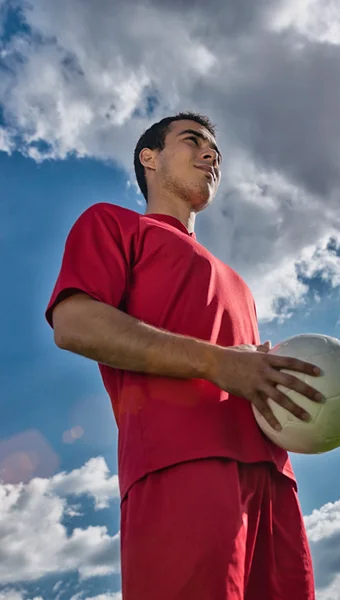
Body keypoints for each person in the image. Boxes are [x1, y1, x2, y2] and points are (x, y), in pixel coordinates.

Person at [45, 112, 323, 600]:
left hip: (274, 483)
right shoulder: (114, 224)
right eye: (192, 141)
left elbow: (254, 379)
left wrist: (324, 408)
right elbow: (74, 324)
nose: (210, 154)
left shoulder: (239, 282)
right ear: (148, 158)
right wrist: (218, 364)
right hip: (181, 465)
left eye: (215, 149)